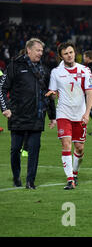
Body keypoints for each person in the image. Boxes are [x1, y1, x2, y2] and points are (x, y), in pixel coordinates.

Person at [0, 38, 56, 189]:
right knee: (14, 150)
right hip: (17, 115)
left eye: (42, 51)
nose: (40, 53)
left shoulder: (44, 70)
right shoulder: (14, 66)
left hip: (37, 116)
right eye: (38, 50)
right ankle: (16, 175)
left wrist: (52, 116)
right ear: (28, 50)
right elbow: (2, 88)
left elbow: (48, 93)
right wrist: (5, 108)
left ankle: (30, 181)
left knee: (34, 150)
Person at [46, 42, 92, 190]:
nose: (69, 55)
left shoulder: (85, 70)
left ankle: (74, 172)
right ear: (61, 56)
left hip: (80, 114)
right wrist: (53, 95)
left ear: (75, 53)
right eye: (66, 53)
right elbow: (53, 94)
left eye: (71, 52)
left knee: (79, 148)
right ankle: (70, 180)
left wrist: (87, 113)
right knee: (66, 143)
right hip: (63, 113)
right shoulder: (55, 72)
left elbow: (89, 93)